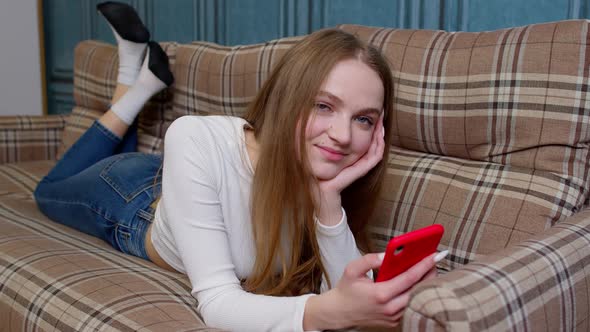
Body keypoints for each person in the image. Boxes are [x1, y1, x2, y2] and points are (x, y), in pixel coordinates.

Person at [33, 2, 446, 331]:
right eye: (323, 106)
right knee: (49, 190)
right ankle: (136, 88)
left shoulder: (327, 182)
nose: (342, 135)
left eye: (364, 119)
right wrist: (323, 313)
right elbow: (218, 304)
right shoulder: (192, 134)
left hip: (188, 181)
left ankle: (136, 77)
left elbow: (348, 295)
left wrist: (328, 204)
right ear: (288, 97)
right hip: (134, 201)